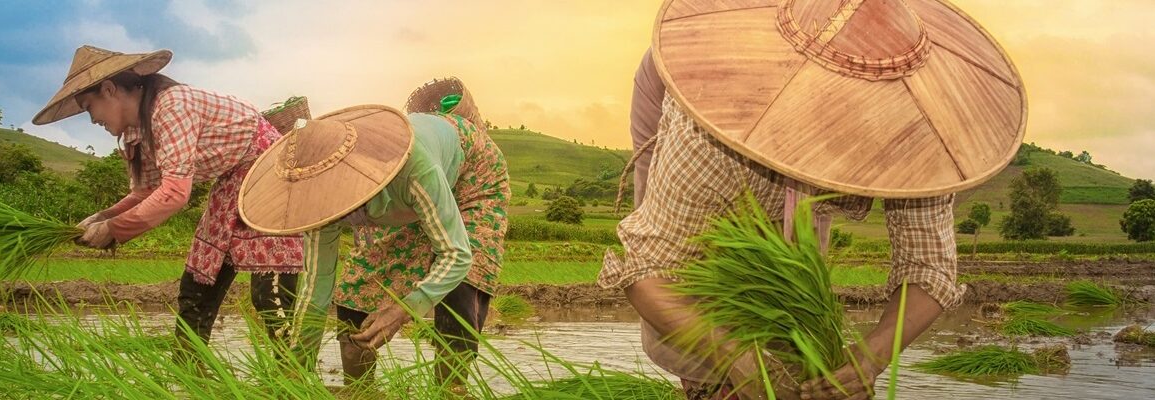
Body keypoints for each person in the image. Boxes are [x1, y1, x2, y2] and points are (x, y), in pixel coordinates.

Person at [607, 0, 1026, 398]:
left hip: (800, 168)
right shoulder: (706, 124)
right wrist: (735, 359)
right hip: (714, 84)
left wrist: (868, 360)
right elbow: (654, 269)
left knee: (796, 279)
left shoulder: (922, 125)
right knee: (708, 288)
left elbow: (930, 265)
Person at [238, 78, 509, 387]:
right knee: (356, 290)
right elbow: (316, 286)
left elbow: (456, 254)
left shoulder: (413, 169)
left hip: (473, 174)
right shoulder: (318, 201)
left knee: (462, 282)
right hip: (402, 196)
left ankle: (451, 389)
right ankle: (361, 390)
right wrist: (296, 368)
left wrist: (404, 309)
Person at [31, 45, 303, 350]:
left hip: (270, 172)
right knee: (198, 283)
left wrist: (113, 230)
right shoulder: (138, 131)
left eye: (88, 106)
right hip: (231, 181)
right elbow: (146, 192)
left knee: (270, 293)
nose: (92, 118)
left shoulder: (171, 107)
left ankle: (291, 378)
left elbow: (174, 193)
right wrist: (102, 218)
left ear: (109, 89)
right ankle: (191, 370)